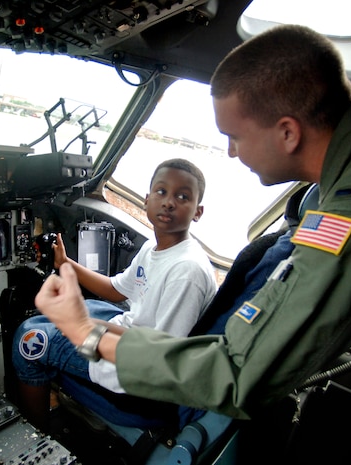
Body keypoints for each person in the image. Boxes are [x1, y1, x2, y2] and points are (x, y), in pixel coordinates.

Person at [33, 24, 351, 465]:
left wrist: (85, 332)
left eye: (235, 136)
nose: (229, 152)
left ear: (287, 132)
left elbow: (239, 373)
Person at [12, 158, 218, 431]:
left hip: (135, 373)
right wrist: (65, 264)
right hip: (132, 335)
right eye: (161, 192)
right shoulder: (155, 248)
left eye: (182, 196)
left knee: (29, 338)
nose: (169, 202)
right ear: (146, 200)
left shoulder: (187, 271)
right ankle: (52, 395)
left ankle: (37, 435)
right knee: (58, 315)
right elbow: (114, 289)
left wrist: (90, 329)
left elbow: (160, 356)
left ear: (197, 212)